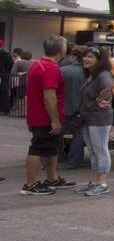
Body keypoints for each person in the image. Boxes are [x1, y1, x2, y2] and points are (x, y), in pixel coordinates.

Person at [21, 36, 77, 196]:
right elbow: (49, 95)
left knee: (52, 147)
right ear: (61, 50)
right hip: (45, 117)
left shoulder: (36, 64)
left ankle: (52, 178)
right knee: (37, 148)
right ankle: (30, 184)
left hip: (38, 114)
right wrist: (54, 120)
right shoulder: (50, 68)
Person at [74, 47, 114, 197]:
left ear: (99, 60)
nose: (86, 59)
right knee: (93, 151)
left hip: (99, 118)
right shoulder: (92, 75)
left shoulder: (103, 74)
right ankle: (94, 181)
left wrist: (100, 100)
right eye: (85, 56)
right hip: (89, 118)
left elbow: (108, 87)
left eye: (90, 57)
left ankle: (103, 183)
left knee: (100, 149)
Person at [60, 46, 88, 170]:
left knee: (57, 134)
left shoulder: (62, 70)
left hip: (63, 107)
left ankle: (52, 159)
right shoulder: (88, 73)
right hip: (82, 108)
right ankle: (74, 161)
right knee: (80, 135)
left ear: (74, 56)